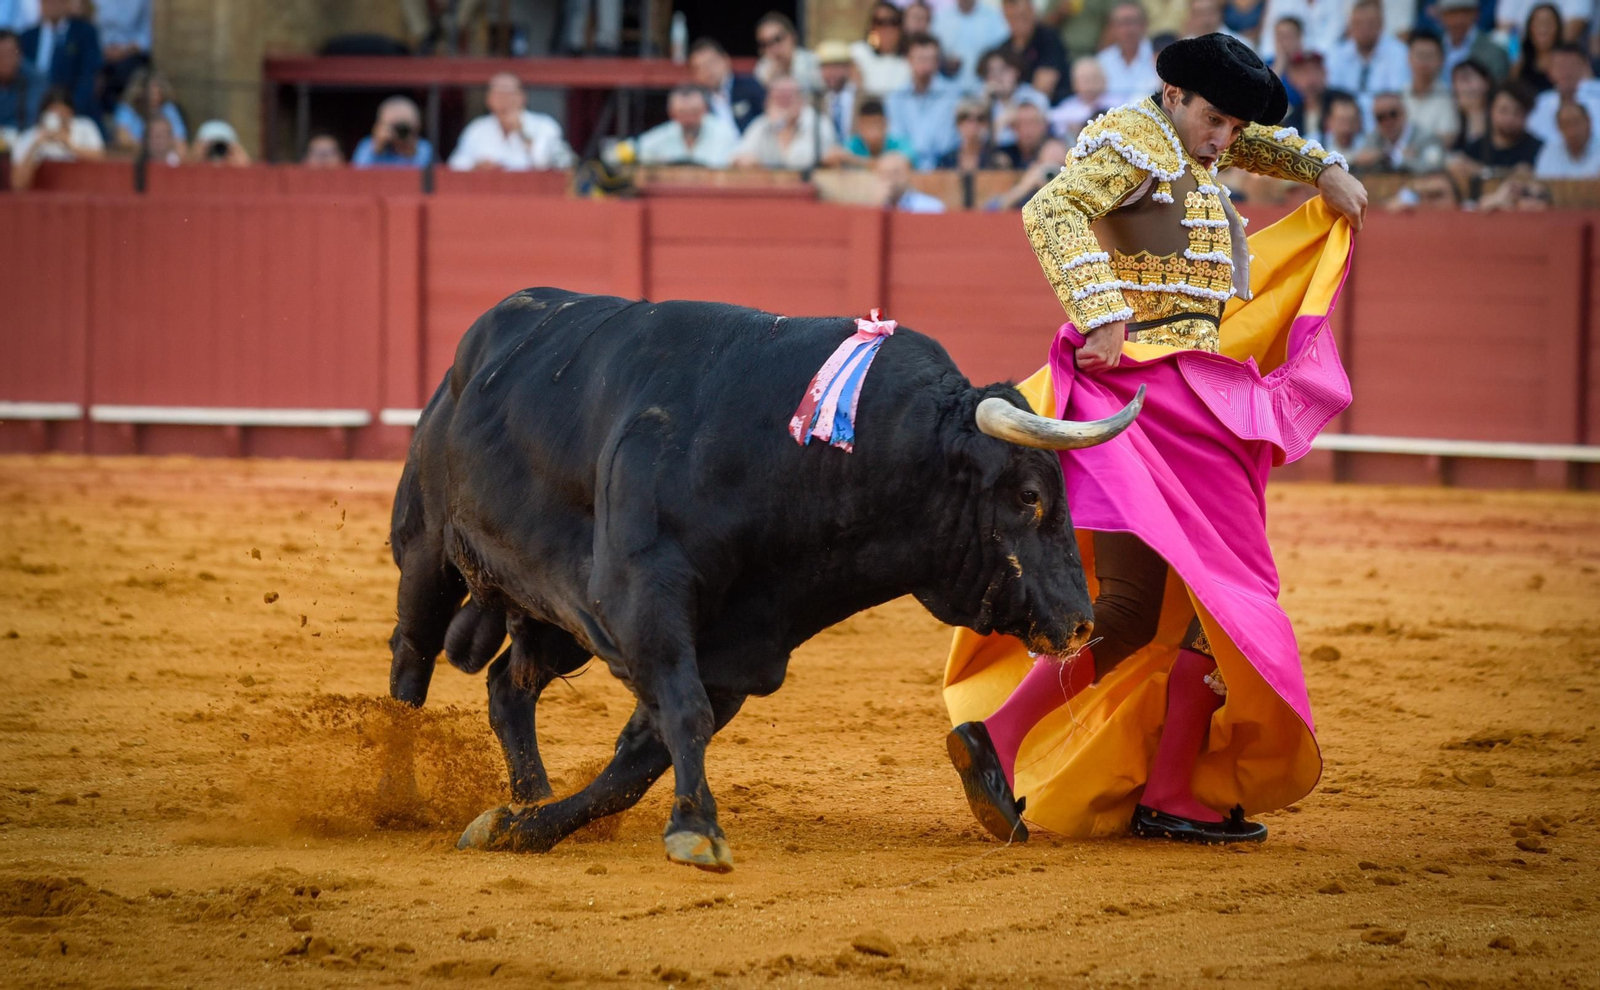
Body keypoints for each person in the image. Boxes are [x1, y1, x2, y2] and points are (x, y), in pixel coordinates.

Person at [944, 32, 1368, 847]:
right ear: (1171, 95)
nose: (1223, 141)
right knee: (1230, 600)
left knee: (1136, 610)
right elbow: (1051, 208)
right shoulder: (1135, 142)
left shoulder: (1187, 141)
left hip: (1165, 399)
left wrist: (1322, 168)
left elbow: (1257, 139)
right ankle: (1172, 788)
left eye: (1232, 128)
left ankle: (998, 738)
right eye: (1213, 120)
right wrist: (1100, 310)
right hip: (1170, 399)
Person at [448, 72, 574, 171]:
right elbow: (455, 165)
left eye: (508, 93)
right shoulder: (477, 129)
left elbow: (553, 164)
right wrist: (476, 165)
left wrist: (522, 132)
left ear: (522, 97)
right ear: (488, 99)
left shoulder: (544, 126)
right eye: (498, 93)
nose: (503, 99)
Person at [731, 74, 841, 170]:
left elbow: (827, 161)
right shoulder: (760, 125)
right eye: (778, 98)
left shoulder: (819, 124)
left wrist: (782, 127)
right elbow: (738, 158)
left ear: (802, 99)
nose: (784, 104)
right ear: (767, 101)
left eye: (788, 97)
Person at [886, 33, 961, 169]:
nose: (925, 66)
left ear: (938, 62)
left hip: (944, 167)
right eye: (920, 59)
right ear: (908, 60)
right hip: (905, 167)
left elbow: (947, 141)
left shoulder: (953, 95)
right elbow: (896, 138)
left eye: (930, 60)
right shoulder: (895, 98)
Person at [18, 0, 98, 118]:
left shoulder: (84, 32)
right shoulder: (27, 37)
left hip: (72, 106)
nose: (53, 5)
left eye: (58, 1)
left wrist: (71, 108)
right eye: (47, 2)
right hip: (32, 108)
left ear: (68, 4)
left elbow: (88, 76)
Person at [9, 84, 100, 187]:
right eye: (54, 114)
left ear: (71, 112)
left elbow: (99, 158)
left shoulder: (85, 127)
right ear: (44, 114)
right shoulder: (29, 136)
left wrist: (70, 146)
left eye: (63, 115)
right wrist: (35, 146)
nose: (58, 119)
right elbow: (18, 185)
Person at [987, 99, 1067, 208]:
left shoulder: (1054, 149)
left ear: (1044, 125)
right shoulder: (1007, 154)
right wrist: (1023, 187)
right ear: (1013, 128)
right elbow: (990, 210)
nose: (1027, 129)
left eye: (1033, 122)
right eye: (1020, 124)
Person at [635, 84, 738, 168]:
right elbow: (632, 150)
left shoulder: (724, 133)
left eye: (694, 112)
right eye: (682, 113)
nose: (689, 119)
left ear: (705, 110)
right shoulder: (663, 134)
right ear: (671, 113)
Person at [1327, 0, 1410, 97]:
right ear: (1350, 26)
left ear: (1381, 24)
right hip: (1347, 111)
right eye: (1358, 23)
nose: (1364, 28)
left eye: (1370, 23)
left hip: (1382, 110)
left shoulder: (1399, 52)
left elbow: (1397, 93)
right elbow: (1333, 93)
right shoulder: (1337, 53)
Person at [1456, 81, 1545, 170]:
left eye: (1517, 112)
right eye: (1503, 110)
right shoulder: (1474, 150)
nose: (1509, 118)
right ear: (1490, 110)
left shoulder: (1539, 151)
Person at [1351, 90, 1445, 170]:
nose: (1387, 122)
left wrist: (1397, 159)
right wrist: (1385, 156)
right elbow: (1359, 162)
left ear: (1404, 113)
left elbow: (1434, 167)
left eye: (1393, 114)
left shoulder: (1426, 137)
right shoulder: (1374, 138)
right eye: (1380, 117)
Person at [932, 0, 1011, 94]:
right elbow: (933, 56)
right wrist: (946, 65)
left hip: (985, 90)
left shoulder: (994, 17)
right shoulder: (941, 19)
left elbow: (1003, 53)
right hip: (948, 92)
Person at [1527, 43, 1600, 142]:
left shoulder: (1597, 96)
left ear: (1584, 67)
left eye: (1572, 66)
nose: (1566, 72)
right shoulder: (1540, 102)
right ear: (1550, 70)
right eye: (1561, 66)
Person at [690, 38, 765, 133]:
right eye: (700, 67)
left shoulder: (750, 86)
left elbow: (767, 119)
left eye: (711, 63)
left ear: (726, 60)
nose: (707, 70)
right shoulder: (697, 100)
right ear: (694, 74)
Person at [1002, 0, 1070, 103]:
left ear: (1033, 11)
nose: (1019, 21)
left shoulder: (1048, 38)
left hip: (1053, 105)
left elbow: (1043, 87)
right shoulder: (1004, 47)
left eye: (1023, 15)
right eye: (1013, 17)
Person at [982, 46, 1050, 146]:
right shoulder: (986, 99)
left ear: (1016, 71)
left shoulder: (1035, 97)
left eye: (1003, 70)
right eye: (991, 71)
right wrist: (986, 103)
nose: (997, 76)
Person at [1097, 0, 1160, 107]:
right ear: (1112, 28)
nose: (1128, 29)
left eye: (1133, 22)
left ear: (1144, 25)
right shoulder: (1102, 61)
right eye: (1122, 23)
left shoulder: (1158, 57)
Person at [110, 67, 185, 152]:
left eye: (157, 93)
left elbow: (180, 145)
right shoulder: (127, 109)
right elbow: (122, 140)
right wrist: (152, 149)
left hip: (163, 161)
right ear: (139, 92)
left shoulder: (169, 110)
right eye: (149, 93)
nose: (153, 98)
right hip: (134, 159)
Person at [95, 0, 149, 117]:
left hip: (129, 53)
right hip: (100, 51)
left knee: (126, 75)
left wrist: (124, 51)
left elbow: (146, 37)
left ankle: (122, 119)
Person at [1405, 31, 1459, 145]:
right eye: (1419, 55)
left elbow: (1447, 139)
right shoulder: (1399, 94)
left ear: (1441, 61)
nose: (1424, 62)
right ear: (1409, 58)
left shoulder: (1450, 96)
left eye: (1429, 56)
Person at [1437, 0, 1511, 81]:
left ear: (1476, 14)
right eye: (1452, 13)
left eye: (1465, 12)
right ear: (1441, 16)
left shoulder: (1495, 52)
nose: (1458, 20)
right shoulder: (1434, 47)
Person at [353, 95, 434, 168]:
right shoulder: (368, 146)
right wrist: (377, 148)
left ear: (416, 127)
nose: (399, 132)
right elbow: (357, 175)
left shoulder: (424, 148)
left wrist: (411, 152)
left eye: (404, 127)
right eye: (393, 127)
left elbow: (431, 178)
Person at [851, 2, 912, 97]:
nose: (886, 28)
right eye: (879, 22)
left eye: (893, 22)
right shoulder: (858, 53)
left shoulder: (910, 59)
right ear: (871, 27)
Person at [754, 12, 822, 94]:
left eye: (778, 39)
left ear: (793, 37)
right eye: (765, 44)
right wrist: (768, 82)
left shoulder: (813, 62)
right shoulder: (763, 68)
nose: (773, 48)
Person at [1050, 57, 1114, 140]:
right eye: (1085, 80)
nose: (1090, 85)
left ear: (1104, 80)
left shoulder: (1117, 104)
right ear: (1074, 83)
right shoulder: (1066, 106)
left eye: (1094, 78)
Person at [936, 96, 1005, 168]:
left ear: (986, 124)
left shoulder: (997, 160)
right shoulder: (946, 161)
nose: (973, 124)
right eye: (966, 117)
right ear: (958, 123)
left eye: (980, 118)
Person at [1534, 99, 1600, 174]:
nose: (1573, 130)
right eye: (1566, 125)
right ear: (1558, 127)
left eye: (1576, 122)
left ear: (1588, 122)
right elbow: (1542, 182)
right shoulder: (1550, 151)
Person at [0, 27, 43, 136]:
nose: (6, 60)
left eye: (10, 53)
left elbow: (32, 120)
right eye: (1, 55)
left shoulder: (35, 78)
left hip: (23, 139)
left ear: (20, 55)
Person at [1514, 3, 1565, 92]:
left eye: (1548, 23)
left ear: (1558, 27)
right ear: (1529, 28)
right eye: (1538, 23)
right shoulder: (1520, 62)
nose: (1543, 28)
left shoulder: (1568, 59)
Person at [818, 40, 859, 146]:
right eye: (826, 67)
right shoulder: (816, 100)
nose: (831, 73)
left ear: (848, 68)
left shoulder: (862, 97)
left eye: (836, 66)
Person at [876, 150, 946, 211]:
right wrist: (877, 205)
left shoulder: (931, 207)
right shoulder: (877, 205)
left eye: (895, 172)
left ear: (908, 174)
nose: (890, 178)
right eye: (885, 173)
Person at [846, 96, 912, 159]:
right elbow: (839, 155)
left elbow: (906, 158)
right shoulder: (853, 144)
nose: (872, 131)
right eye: (868, 125)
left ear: (885, 124)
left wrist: (854, 159)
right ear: (859, 126)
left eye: (876, 125)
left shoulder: (898, 143)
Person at [1450, 57, 1495, 149]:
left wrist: (1475, 112)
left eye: (1466, 78)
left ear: (1486, 82)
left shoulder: (1499, 115)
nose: (1463, 87)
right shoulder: (1451, 115)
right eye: (1456, 81)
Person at [1322, 90, 1364, 156]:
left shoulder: (1368, 145)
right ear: (1328, 121)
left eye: (1351, 121)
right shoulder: (1313, 144)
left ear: (1359, 122)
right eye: (1341, 122)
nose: (1346, 128)